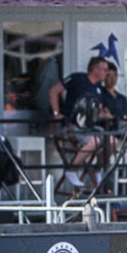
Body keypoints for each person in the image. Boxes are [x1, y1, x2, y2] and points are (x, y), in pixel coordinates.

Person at [48, 57, 111, 188]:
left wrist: (105, 114)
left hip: (90, 126)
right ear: (96, 69)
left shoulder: (99, 88)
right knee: (95, 142)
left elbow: (96, 110)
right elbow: (53, 90)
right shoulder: (78, 79)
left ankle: (97, 170)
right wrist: (56, 113)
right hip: (72, 125)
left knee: (112, 142)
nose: (107, 73)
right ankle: (72, 169)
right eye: (105, 70)